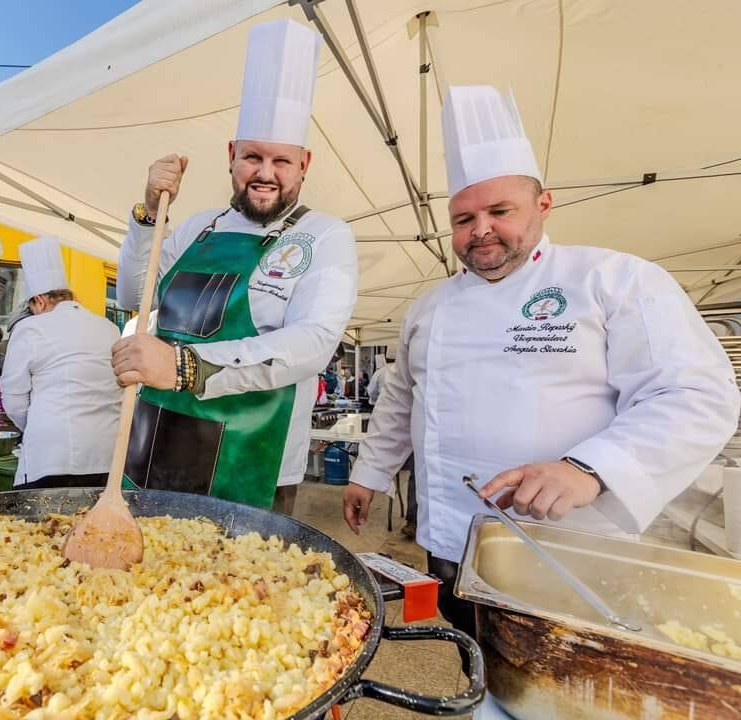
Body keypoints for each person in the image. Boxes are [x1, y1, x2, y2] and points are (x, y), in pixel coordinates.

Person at [344, 85, 739, 645]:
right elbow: (402, 399)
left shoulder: (614, 280)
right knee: (474, 653)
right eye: (463, 218)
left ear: (543, 204)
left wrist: (590, 468)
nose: (480, 229)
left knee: (569, 670)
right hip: (452, 538)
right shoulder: (429, 308)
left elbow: (698, 394)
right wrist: (369, 474)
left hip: (567, 546)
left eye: (499, 211)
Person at [111, 19, 358, 514]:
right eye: (252, 157)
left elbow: (311, 343)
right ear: (231, 156)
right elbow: (134, 294)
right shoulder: (199, 225)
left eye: (282, 162)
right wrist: (146, 216)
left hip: (254, 453)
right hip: (158, 436)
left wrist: (185, 366)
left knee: (235, 586)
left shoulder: (325, 235)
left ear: (304, 163)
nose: (265, 174)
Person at [0, 237, 122, 487]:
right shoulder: (109, 327)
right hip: (106, 455)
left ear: (40, 301)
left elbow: (13, 399)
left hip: (50, 455)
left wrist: (37, 422)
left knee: (40, 525)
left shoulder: (30, 328)